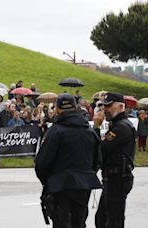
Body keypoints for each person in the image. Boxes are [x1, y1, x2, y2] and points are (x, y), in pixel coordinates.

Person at [35, 93, 101, 228]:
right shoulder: (89, 130)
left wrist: (48, 181)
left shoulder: (55, 131)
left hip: (60, 185)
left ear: (58, 109)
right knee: (79, 222)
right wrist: (87, 174)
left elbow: (42, 163)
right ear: (75, 107)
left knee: (62, 223)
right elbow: (98, 160)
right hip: (84, 184)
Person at [93, 92, 136, 228]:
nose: (106, 109)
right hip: (112, 178)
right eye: (104, 106)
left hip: (118, 178)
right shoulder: (116, 124)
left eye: (109, 106)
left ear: (121, 107)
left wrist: (96, 127)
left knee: (113, 220)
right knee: (102, 218)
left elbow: (101, 148)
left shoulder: (121, 127)